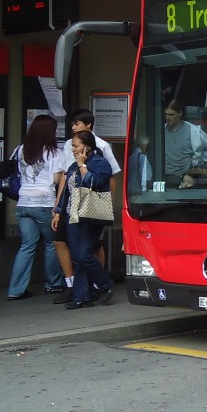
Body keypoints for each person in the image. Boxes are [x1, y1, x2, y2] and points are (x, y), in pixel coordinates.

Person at [51, 109, 121, 304]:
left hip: (91, 215)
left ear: (87, 147)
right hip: (73, 215)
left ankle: (104, 284)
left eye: (76, 146)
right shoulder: (73, 166)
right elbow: (66, 191)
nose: (73, 150)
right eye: (72, 146)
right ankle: (81, 297)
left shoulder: (100, 163)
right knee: (77, 256)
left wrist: (83, 165)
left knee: (84, 255)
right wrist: (58, 212)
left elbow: (94, 182)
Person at [7, 114, 67, 300]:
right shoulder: (54, 153)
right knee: (51, 244)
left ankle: (15, 290)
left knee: (26, 246)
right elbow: (56, 180)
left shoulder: (21, 149)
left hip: (23, 202)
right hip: (44, 203)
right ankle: (53, 284)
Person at [163, 101, 207, 187]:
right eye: (166, 114)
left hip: (186, 179)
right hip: (165, 177)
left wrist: (197, 162)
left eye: (171, 114)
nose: (167, 118)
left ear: (180, 113)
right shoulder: (160, 131)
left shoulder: (193, 130)